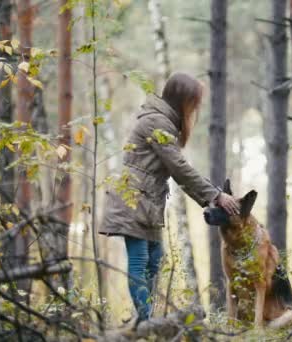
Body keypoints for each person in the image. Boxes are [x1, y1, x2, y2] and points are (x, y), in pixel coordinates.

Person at [99, 72, 238, 323]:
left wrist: (210, 198)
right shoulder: (157, 123)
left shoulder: (164, 123)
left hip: (147, 201)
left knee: (155, 261)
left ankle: (144, 320)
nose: (197, 107)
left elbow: (177, 171)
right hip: (133, 199)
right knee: (141, 260)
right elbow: (179, 168)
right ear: (182, 99)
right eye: (194, 101)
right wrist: (215, 195)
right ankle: (144, 321)